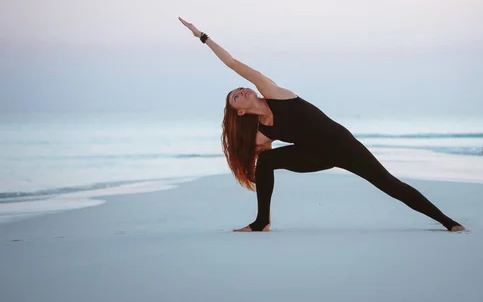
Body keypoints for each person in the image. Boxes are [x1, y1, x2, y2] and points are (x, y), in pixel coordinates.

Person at [178, 17, 466, 233]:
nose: (241, 91)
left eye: (240, 89)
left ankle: (448, 222)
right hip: (314, 156)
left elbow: (232, 62)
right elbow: (255, 157)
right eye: (235, 97)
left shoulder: (273, 93)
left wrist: (202, 36)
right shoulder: (260, 133)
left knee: (390, 185)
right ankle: (261, 222)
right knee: (266, 162)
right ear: (239, 112)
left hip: (343, 146)